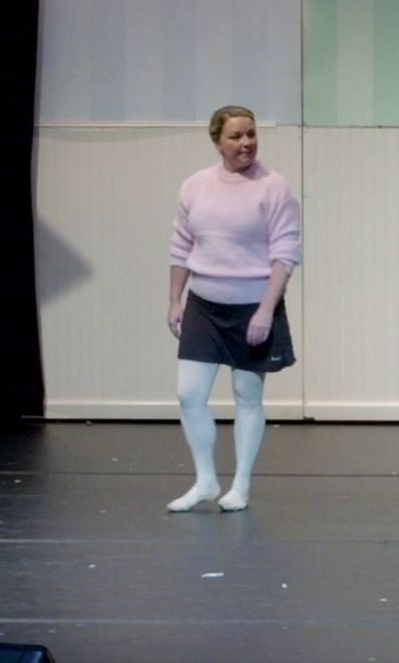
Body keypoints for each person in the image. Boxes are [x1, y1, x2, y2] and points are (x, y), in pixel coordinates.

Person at [165, 105, 302, 513]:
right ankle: (206, 481)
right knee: (189, 395)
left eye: (251, 134)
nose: (246, 143)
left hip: (252, 306)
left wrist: (265, 310)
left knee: (247, 395)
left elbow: (286, 253)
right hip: (203, 307)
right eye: (236, 136)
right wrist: (174, 299)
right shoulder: (195, 186)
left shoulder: (273, 187)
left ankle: (240, 486)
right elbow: (181, 246)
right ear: (217, 141)